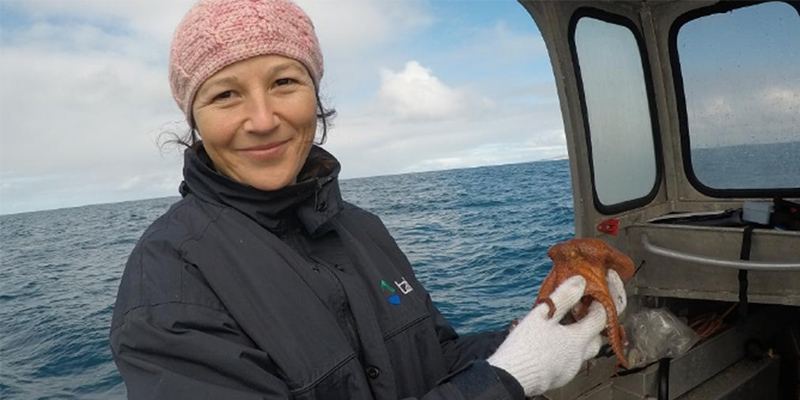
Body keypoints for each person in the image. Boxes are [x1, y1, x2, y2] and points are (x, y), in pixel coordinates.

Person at [109, 0, 627, 399]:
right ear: (193, 119)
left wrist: (537, 336)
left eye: (284, 82)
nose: (263, 119)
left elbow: (437, 359)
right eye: (225, 94)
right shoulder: (169, 280)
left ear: (316, 96)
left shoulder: (361, 229)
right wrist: (507, 378)